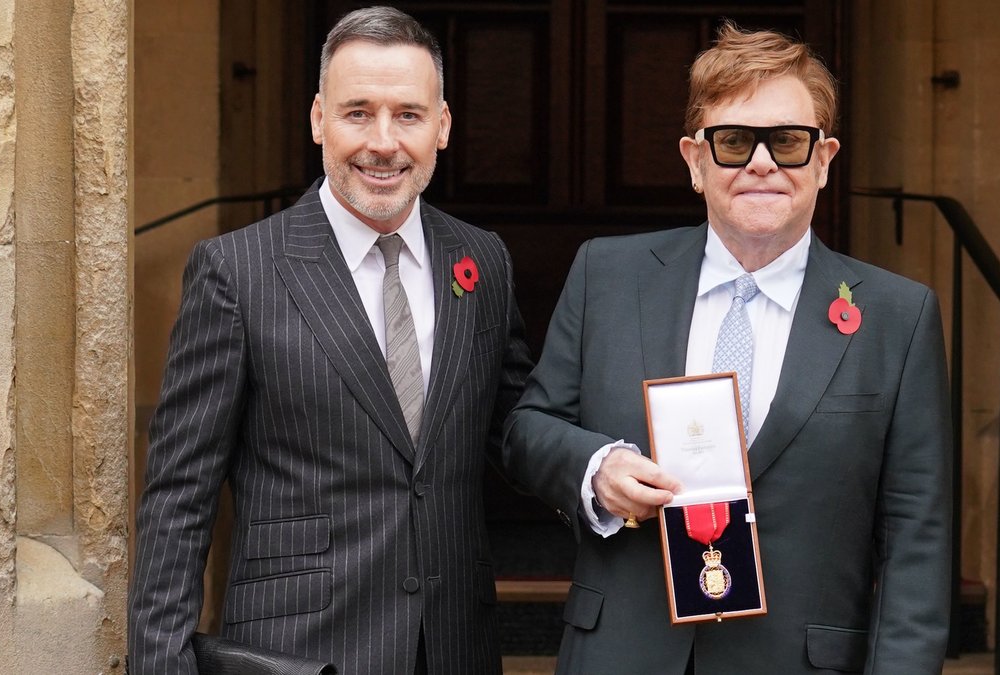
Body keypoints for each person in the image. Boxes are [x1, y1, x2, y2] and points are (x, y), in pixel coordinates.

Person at [503, 22, 951, 674]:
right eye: (735, 141)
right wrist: (595, 468)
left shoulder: (896, 317)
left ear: (824, 161)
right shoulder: (607, 275)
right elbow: (526, 431)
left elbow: (918, 537)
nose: (762, 163)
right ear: (694, 159)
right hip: (621, 655)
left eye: (789, 143)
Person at [129, 7, 532, 674]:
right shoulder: (237, 272)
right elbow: (179, 499)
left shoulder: (482, 262)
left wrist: (601, 464)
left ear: (443, 126)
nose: (383, 141)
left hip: (456, 648)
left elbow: (518, 430)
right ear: (318, 119)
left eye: (408, 114)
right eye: (357, 113)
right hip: (300, 654)